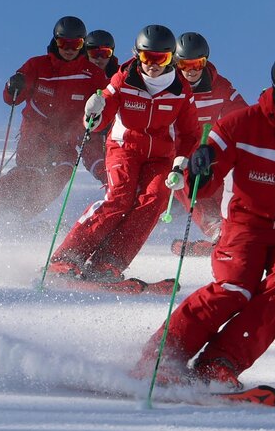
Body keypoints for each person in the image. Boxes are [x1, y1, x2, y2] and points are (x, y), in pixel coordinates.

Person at [133, 47, 275, 389]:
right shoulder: (244, 123)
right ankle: (161, 357)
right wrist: (201, 168)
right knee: (233, 288)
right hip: (246, 226)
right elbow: (211, 168)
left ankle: (219, 364)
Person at [48, 24, 200, 283]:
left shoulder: (180, 90)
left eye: (160, 58)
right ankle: (68, 256)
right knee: (119, 197)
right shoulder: (124, 79)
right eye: (146, 57)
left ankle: (108, 262)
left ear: (171, 58)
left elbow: (191, 133)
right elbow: (103, 113)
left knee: (155, 200)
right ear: (138, 55)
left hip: (161, 156)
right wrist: (92, 115)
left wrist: (180, 164)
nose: (152, 65)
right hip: (124, 147)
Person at [0, 16, 109, 226]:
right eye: (63, 43)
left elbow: (106, 104)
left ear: (83, 44)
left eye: (75, 44)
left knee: (56, 179)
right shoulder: (38, 65)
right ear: (55, 42)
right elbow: (12, 99)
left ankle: (18, 217)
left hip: (67, 140)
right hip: (36, 133)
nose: (68, 48)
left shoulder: (92, 75)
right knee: (29, 172)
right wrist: (13, 86)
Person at [169, 32, 247, 256]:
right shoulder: (168, 85)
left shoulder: (219, 86)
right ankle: (217, 230)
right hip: (178, 156)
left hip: (210, 152)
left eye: (197, 63)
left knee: (229, 179)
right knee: (188, 181)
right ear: (176, 63)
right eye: (184, 64)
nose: (191, 70)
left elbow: (242, 115)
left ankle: (237, 227)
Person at [81, 30, 118, 185]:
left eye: (105, 53)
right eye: (94, 53)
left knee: (117, 170)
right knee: (102, 169)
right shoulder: (80, 74)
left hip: (113, 133)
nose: (100, 58)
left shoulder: (119, 76)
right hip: (87, 134)